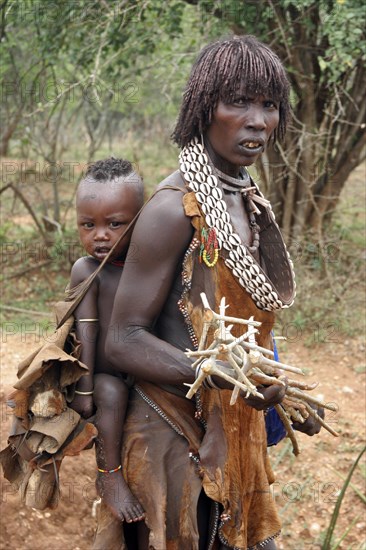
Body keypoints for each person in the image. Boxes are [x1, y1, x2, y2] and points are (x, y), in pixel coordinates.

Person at [93, 37, 322, 550]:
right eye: (237, 101)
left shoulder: (248, 200)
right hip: (172, 436)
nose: (258, 120)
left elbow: (245, 324)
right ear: (203, 108)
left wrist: (279, 390)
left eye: (268, 105)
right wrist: (212, 373)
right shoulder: (174, 210)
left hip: (236, 425)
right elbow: (123, 339)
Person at [69, 157, 145, 524]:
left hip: (140, 370)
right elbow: (85, 332)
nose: (100, 235)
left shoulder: (147, 267)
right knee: (111, 393)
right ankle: (109, 477)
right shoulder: (86, 271)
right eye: (89, 225)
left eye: (115, 224)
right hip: (96, 376)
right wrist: (84, 392)